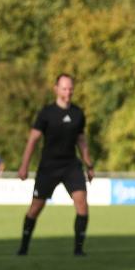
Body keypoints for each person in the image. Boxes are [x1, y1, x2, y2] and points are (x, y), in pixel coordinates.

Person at [17, 74, 94, 256]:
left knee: (82, 203)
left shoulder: (78, 113)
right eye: (64, 88)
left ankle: (78, 250)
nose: (68, 92)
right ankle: (23, 247)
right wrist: (24, 165)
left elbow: (81, 140)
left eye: (71, 88)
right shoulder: (46, 113)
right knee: (35, 208)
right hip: (49, 166)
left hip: (70, 166)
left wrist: (89, 164)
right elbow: (33, 140)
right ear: (56, 89)